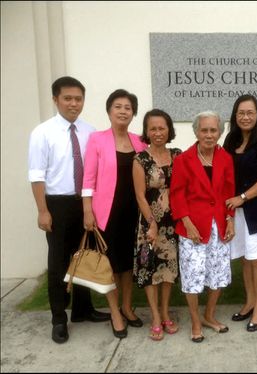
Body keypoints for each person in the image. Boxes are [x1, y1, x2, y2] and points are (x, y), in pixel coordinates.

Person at [28, 76, 111, 344]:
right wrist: (43, 210)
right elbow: (37, 175)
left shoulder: (91, 131)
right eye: (68, 98)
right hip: (58, 203)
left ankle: (83, 310)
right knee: (59, 262)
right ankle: (58, 319)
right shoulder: (43, 132)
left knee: (85, 254)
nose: (74, 103)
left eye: (78, 99)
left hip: (86, 202)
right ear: (56, 99)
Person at [82, 89, 147, 337]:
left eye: (128, 107)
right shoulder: (97, 139)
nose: (123, 111)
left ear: (133, 113)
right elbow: (88, 179)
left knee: (128, 265)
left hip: (134, 213)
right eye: (118, 106)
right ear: (109, 110)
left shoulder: (139, 141)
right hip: (106, 214)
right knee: (110, 266)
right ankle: (115, 313)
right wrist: (87, 211)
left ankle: (128, 307)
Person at [170, 111, 235, 343]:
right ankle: (196, 320)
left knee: (217, 274)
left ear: (220, 132)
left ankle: (209, 315)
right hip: (192, 228)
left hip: (218, 225)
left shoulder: (225, 158)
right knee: (193, 275)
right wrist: (188, 224)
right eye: (204, 130)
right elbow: (177, 195)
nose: (209, 135)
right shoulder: (183, 160)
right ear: (196, 132)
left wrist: (230, 219)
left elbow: (229, 191)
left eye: (213, 130)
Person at [223, 95, 257, 332]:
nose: (245, 117)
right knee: (246, 258)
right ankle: (248, 302)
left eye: (250, 113)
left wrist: (242, 197)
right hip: (238, 213)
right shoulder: (230, 140)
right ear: (235, 116)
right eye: (241, 113)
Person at [132, 109, 181, 341]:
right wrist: (151, 223)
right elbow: (141, 196)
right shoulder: (140, 159)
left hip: (172, 224)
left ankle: (165, 312)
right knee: (150, 270)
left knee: (168, 270)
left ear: (169, 129)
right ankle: (154, 316)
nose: (158, 132)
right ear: (147, 131)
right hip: (150, 223)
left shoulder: (178, 155)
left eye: (162, 128)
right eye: (153, 128)